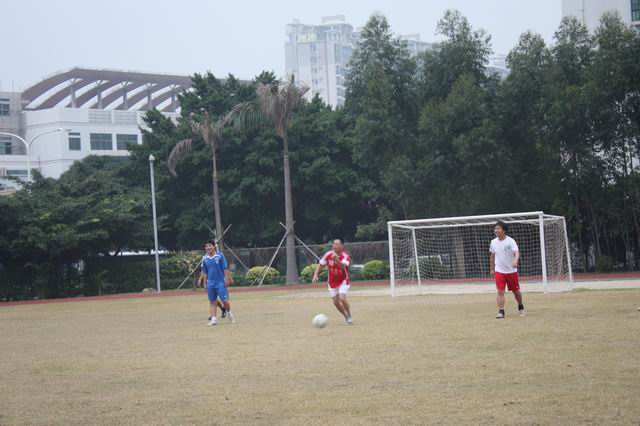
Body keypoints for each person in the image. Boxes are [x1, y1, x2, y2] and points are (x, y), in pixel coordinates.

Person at [312, 238, 353, 324]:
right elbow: (320, 264)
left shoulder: (345, 256)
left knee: (342, 298)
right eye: (334, 244)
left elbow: (343, 266)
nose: (335, 245)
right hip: (332, 282)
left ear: (342, 246)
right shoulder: (328, 254)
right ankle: (345, 316)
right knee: (335, 302)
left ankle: (349, 314)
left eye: (337, 244)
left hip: (343, 280)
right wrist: (316, 274)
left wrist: (336, 260)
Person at [490, 221, 525, 319]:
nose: (496, 230)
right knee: (500, 291)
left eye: (498, 228)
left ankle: (520, 306)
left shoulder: (511, 241)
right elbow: (492, 256)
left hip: (511, 271)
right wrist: (492, 269)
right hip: (499, 271)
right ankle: (501, 312)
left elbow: (516, 252)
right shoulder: (493, 242)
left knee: (516, 291)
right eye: (495, 228)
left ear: (504, 230)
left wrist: (515, 260)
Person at [199, 240, 235, 326]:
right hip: (210, 284)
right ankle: (214, 319)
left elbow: (225, 268)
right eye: (206, 246)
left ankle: (229, 312)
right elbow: (205, 272)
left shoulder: (220, 256)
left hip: (220, 283)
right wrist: (205, 284)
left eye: (210, 245)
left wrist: (228, 279)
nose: (208, 247)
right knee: (212, 301)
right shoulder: (205, 259)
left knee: (225, 301)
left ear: (214, 246)